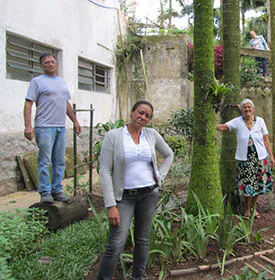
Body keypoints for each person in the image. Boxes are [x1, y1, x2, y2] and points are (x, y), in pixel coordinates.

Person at [97, 100, 174, 279]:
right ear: (132, 112)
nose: (143, 117)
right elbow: (105, 170)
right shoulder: (114, 136)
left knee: (142, 240)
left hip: (148, 194)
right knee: (116, 243)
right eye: (140, 112)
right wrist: (110, 204)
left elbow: (169, 154)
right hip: (124, 197)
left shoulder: (151, 134)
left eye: (147, 116)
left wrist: (160, 177)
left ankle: (137, 277)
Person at [23, 53, 82, 204]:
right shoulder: (37, 82)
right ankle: (45, 192)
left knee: (59, 161)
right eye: (47, 62)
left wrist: (75, 120)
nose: (50, 64)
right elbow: (28, 104)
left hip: (60, 127)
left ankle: (57, 190)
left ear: (56, 64)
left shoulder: (62, 82)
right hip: (44, 127)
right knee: (44, 161)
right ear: (41, 66)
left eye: (53, 62)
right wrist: (28, 125)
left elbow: (66, 104)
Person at [216, 99, 275, 218]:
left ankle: (253, 208)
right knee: (248, 185)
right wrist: (209, 123)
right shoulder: (237, 121)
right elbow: (223, 127)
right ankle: (247, 208)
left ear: (253, 109)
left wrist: (271, 156)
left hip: (259, 157)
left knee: (258, 184)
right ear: (241, 110)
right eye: (244, 108)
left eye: (249, 107)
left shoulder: (260, 121)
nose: (247, 109)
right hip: (245, 159)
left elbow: (266, 140)